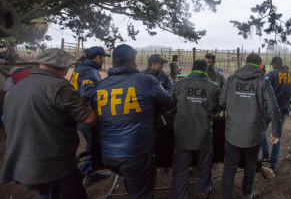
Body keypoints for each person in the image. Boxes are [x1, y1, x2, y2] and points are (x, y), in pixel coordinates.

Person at [1, 48, 96, 199]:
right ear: (62, 67)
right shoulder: (59, 86)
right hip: (52, 169)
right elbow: (89, 118)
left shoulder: (19, 85)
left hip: (23, 164)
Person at [91, 44, 174, 199]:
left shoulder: (100, 86)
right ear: (134, 62)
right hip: (136, 154)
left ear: (113, 63)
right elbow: (169, 102)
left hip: (108, 155)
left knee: (134, 182)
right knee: (141, 192)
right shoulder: (146, 81)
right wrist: (151, 112)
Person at [220, 53, 282, 199]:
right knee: (250, 163)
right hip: (253, 133)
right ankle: (247, 191)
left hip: (233, 132)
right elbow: (273, 107)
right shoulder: (262, 81)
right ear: (260, 64)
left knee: (229, 166)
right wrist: (276, 130)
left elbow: (221, 102)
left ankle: (226, 196)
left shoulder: (232, 78)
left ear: (246, 63)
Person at [172, 59, 221, 199]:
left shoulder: (179, 84)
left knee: (180, 168)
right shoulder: (213, 86)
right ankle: (203, 190)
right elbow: (217, 107)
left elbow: (171, 102)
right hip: (203, 133)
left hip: (182, 133)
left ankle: (180, 195)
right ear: (206, 70)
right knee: (204, 163)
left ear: (193, 69)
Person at [70, 46, 111, 186]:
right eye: (103, 57)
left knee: (90, 143)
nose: (104, 60)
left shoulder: (79, 68)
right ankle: (80, 174)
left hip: (76, 112)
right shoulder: (90, 71)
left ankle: (91, 173)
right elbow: (87, 93)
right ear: (98, 57)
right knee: (94, 145)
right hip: (86, 113)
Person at [259, 56, 291, 172]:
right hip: (283, 110)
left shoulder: (272, 74)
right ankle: (274, 164)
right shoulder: (289, 75)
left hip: (269, 109)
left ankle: (265, 154)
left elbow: (263, 86)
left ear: (274, 64)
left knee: (262, 129)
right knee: (277, 136)